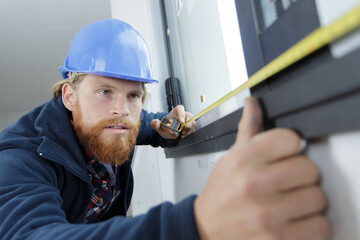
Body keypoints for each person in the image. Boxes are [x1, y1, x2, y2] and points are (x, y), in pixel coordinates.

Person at [0, 19, 329, 240]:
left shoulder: (118, 122)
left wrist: (166, 129)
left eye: (134, 96)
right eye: (104, 92)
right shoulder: (19, 161)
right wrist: (195, 222)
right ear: (70, 96)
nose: (121, 109)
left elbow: (148, 123)